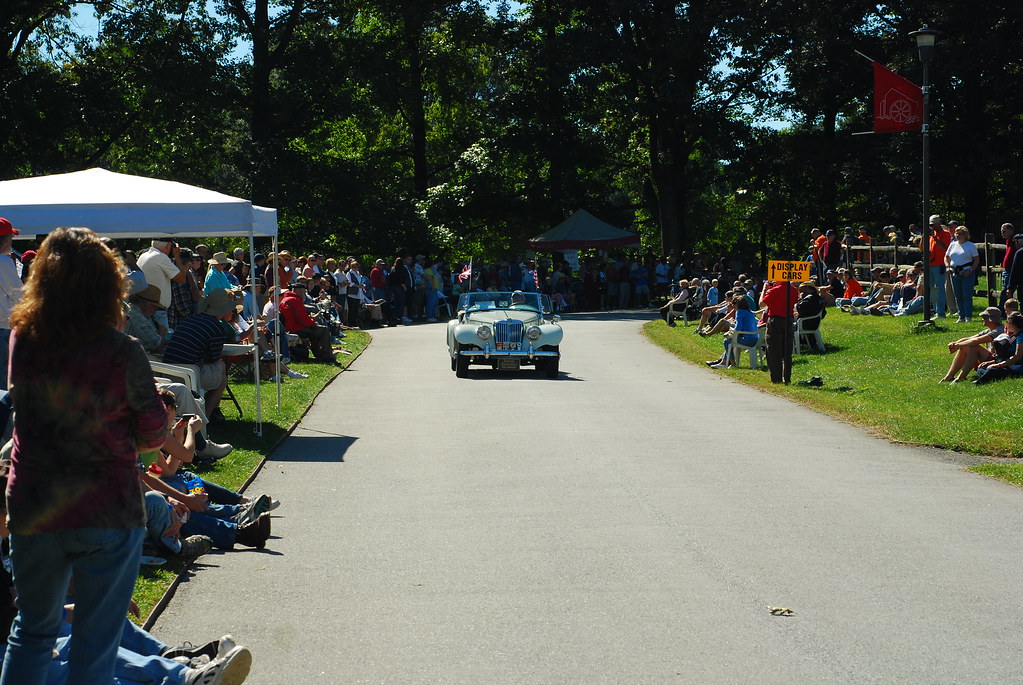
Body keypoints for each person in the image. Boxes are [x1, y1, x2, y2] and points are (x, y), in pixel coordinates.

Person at [2, 227, 169, 685]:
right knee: (97, 639)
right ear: (108, 284)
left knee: (32, 632)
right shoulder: (122, 350)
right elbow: (153, 430)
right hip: (106, 506)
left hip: (35, 502)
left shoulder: (23, 339)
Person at [162, 289, 237, 423]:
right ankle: (205, 418)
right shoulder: (217, 328)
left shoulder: (189, 319)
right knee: (222, 376)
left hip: (167, 370)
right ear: (223, 310)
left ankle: (207, 412)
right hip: (191, 373)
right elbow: (213, 358)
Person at [940, 307, 1005, 383]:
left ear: (991, 319)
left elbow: (976, 340)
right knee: (965, 347)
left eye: (984, 317)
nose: (982, 319)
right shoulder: (990, 329)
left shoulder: (999, 330)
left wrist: (958, 345)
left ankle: (960, 378)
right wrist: (955, 343)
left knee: (974, 347)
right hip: (989, 357)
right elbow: (971, 338)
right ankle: (949, 377)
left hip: (996, 360)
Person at [278, 283, 337, 363]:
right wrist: (313, 322)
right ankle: (328, 356)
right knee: (324, 330)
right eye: (304, 292)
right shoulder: (295, 300)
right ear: (298, 291)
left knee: (314, 331)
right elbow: (302, 319)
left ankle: (318, 354)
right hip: (295, 328)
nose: (305, 294)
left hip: (290, 327)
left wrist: (311, 323)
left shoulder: (286, 299)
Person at [0, 218, 23, 391]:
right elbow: (19, 296)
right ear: (6, 240)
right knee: (2, 385)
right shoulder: (4, 262)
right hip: (2, 329)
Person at [761, 278, 799, 384]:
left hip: (775, 320)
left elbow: (762, 303)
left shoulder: (774, 290)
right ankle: (787, 378)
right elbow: (795, 301)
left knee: (773, 350)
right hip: (788, 320)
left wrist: (765, 289)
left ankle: (776, 378)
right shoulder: (794, 290)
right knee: (787, 350)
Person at [973, 311, 1023, 384]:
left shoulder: (1020, 337)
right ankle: (987, 376)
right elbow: (1007, 355)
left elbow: (1017, 357)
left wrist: (999, 365)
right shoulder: (1014, 336)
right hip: (1008, 365)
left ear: (1011, 323)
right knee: (982, 367)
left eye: (1007, 321)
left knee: (992, 370)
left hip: (1016, 368)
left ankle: (980, 381)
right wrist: (992, 362)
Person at [945, 225, 980, 323]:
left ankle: (968, 316)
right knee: (958, 295)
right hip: (954, 272)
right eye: (956, 233)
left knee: (966, 295)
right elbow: (946, 256)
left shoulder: (970, 245)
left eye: (960, 233)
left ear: (965, 235)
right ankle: (961, 316)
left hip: (967, 272)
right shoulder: (952, 245)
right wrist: (947, 266)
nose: (958, 235)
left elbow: (976, 259)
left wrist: (971, 270)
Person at [926, 215, 952, 318]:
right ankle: (936, 310)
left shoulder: (945, 234)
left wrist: (935, 237)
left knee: (940, 288)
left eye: (933, 225)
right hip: (931, 265)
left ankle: (941, 312)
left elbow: (944, 248)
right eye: (930, 225)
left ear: (939, 223)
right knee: (933, 289)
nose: (932, 227)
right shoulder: (931, 236)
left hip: (940, 265)